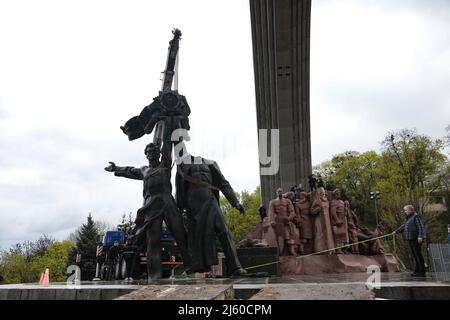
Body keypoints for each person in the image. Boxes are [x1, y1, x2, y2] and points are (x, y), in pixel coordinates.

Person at [105, 122, 190, 280]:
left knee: (181, 235)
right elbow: (129, 170)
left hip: (167, 202)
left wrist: (166, 122)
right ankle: (155, 275)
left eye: (154, 150)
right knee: (153, 242)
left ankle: (191, 267)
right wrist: (116, 168)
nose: (152, 152)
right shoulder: (144, 170)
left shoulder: (165, 164)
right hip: (151, 206)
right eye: (149, 151)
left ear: (158, 153)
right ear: (146, 155)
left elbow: (167, 144)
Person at [175, 153, 247, 276]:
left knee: (224, 231)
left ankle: (235, 267)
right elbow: (180, 188)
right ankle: (197, 266)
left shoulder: (210, 163)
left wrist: (235, 202)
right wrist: (181, 208)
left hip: (210, 199)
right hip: (194, 203)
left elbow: (223, 183)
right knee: (196, 237)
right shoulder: (183, 165)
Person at [393, 205, 426, 277]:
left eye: (405, 210)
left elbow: (420, 227)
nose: (405, 212)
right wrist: (396, 231)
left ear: (410, 210)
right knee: (414, 255)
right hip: (410, 238)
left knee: (418, 255)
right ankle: (417, 271)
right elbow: (403, 226)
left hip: (416, 238)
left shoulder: (415, 216)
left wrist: (420, 236)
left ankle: (422, 271)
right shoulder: (408, 218)